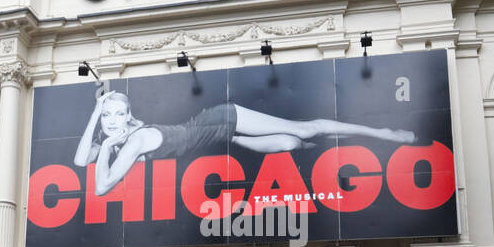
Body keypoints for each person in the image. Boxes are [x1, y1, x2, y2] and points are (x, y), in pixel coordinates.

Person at [74, 86, 417, 194]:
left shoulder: (134, 141)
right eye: (107, 116)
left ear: (128, 115)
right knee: (291, 145)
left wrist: (104, 144)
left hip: (221, 120)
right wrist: (92, 115)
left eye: (118, 113)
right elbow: (80, 161)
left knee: (303, 129)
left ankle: (383, 134)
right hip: (224, 138)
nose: (113, 121)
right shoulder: (122, 140)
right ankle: (355, 146)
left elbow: (101, 186)